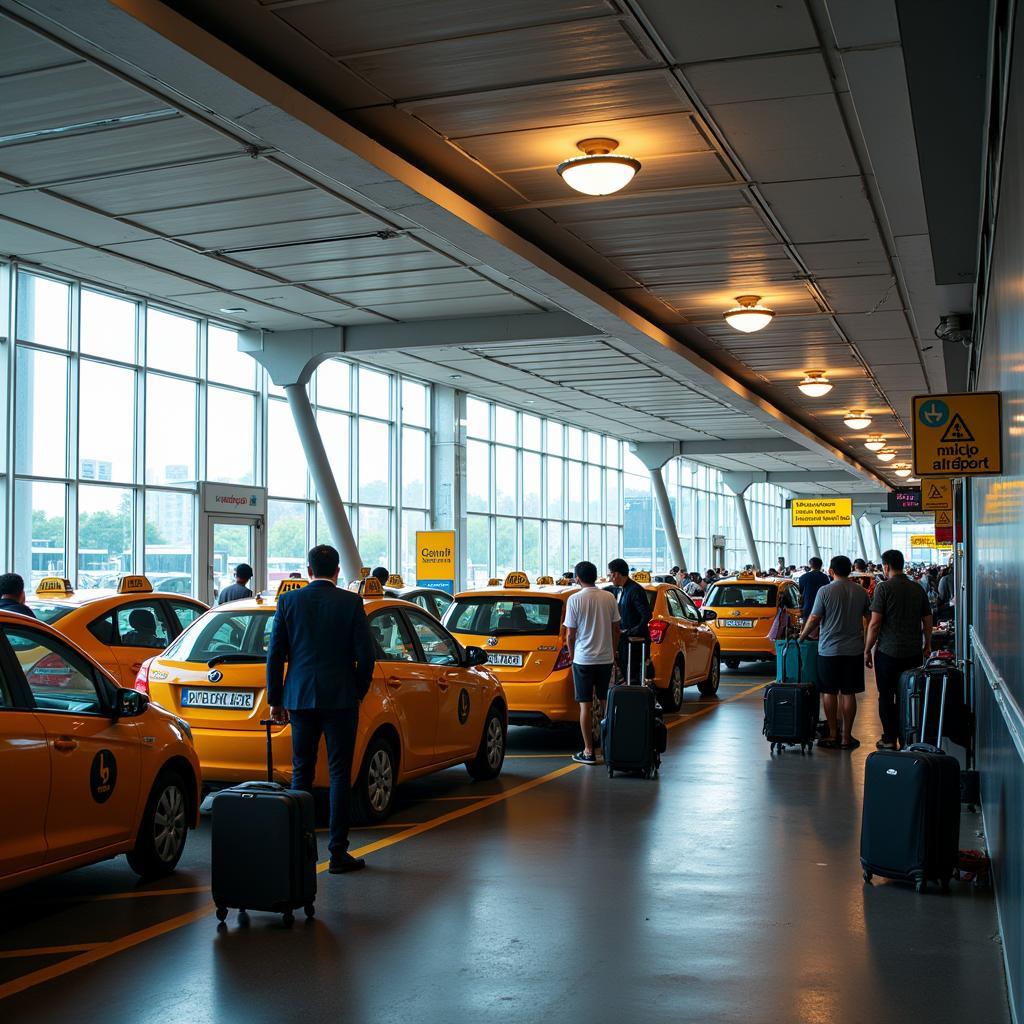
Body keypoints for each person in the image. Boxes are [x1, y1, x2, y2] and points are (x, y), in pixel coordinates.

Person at [267, 545, 376, 873]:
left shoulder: (288, 601)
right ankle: (338, 854)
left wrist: (276, 700)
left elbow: (275, 655)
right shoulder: (351, 602)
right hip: (340, 698)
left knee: (302, 772)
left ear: (309, 570)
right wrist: (356, 690)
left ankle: (300, 852)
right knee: (340, 774)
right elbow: (366, 655)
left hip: (300, 698)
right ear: (337, 571)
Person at [798, 556, 870, 749]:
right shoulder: (861, 592)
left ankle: (832, 734)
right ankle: (847, 737)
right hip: (854, 650)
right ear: (850, 570)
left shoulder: (825, 591)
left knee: (829, 692)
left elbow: (814, 618)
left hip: (829, 650)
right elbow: (869, 618)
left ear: (831, 571)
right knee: (849, 693)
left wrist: (802, 636)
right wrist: (867, 644)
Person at [864, 549, 933, 750]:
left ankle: (888, 739)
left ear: (886, 566)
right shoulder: (917, 588)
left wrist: (867, 649)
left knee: (886, 696)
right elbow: (927, 619)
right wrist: (927, 644)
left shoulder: (883, 589)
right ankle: (908, 738)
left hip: (887, 653)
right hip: (913, 653)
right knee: (908, 694)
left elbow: (875, 624)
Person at [564, 560, 620, 765]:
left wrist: (572, 656)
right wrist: (612, 653)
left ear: (577, 578)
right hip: (605, 659)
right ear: (595, 576)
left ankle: (588, 751)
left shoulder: (574, 600)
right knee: (606, 703)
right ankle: (608, 748)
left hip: (583, 660)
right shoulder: (609, 597)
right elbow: (616, 630)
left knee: (585, 706)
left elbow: (570, 634)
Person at [607, 558, 650, 683]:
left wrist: (632, 631)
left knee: (633, 677)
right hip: (624, 640)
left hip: (634, 643)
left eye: (611, 574)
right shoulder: (623, 590)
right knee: (626, 675)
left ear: (616, 574)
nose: (610, 578)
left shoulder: (635, 590)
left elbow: (646, 615)